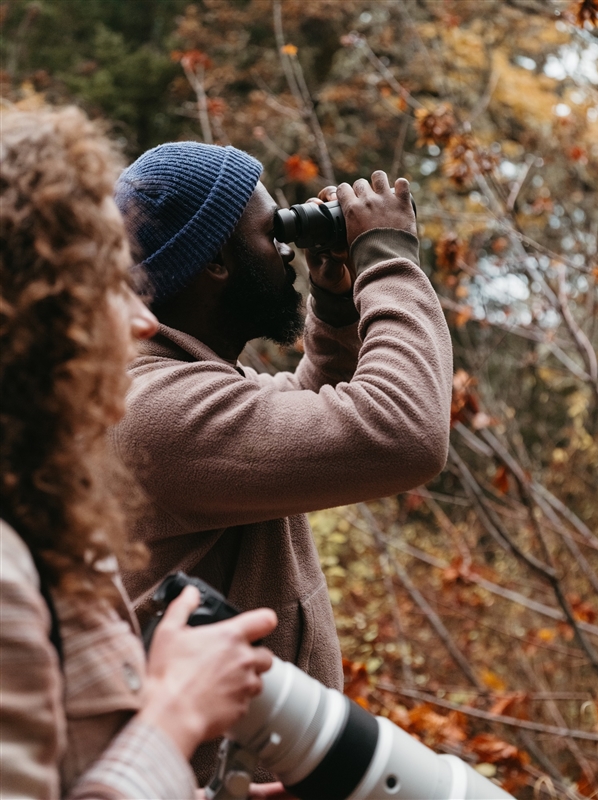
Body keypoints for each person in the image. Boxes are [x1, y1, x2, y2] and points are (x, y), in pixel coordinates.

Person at [113, 141, 453, 783]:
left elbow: (298, 413)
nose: (288, 250)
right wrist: (387, 258)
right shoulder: (155, 410)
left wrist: (332, 300)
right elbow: (404, 432)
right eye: (272, 234)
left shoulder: (178, 385)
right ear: (216, 261)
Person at [0, 108, 282, 800]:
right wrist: (175, 718)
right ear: (28, 318)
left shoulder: (47, 525)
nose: (142, 321)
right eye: (107, 287)